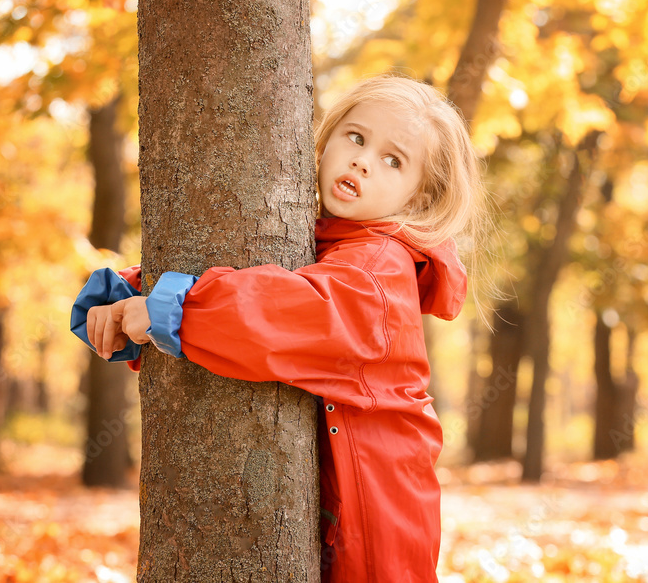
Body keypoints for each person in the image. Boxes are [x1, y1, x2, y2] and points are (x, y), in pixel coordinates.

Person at [71, 74, 485, 582]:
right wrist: (133, 293)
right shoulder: (330, 245)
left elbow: (289, 313)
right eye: (355, 137)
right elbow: (269, 282)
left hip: (377, 529)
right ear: (327, 138)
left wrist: (174, 307)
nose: (362, 160)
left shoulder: (378, 270)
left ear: (418, 200)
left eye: (392, 160)